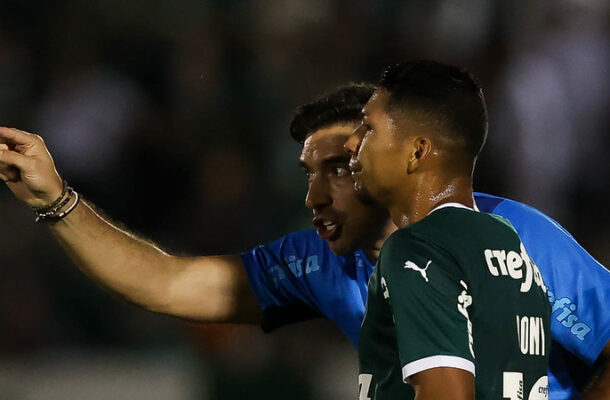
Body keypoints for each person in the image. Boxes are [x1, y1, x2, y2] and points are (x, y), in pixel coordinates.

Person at [0, 83, 608, 399]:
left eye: (340, 167)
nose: (315, 194)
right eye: (308, 173)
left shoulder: (517, 236)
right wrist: (56, 200)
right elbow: (169, 283)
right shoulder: (320, 263)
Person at [345, 60, 552, 399]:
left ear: (417, 151)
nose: (351, 143)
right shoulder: (508, 243)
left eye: (368, 128)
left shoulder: (417, 249)